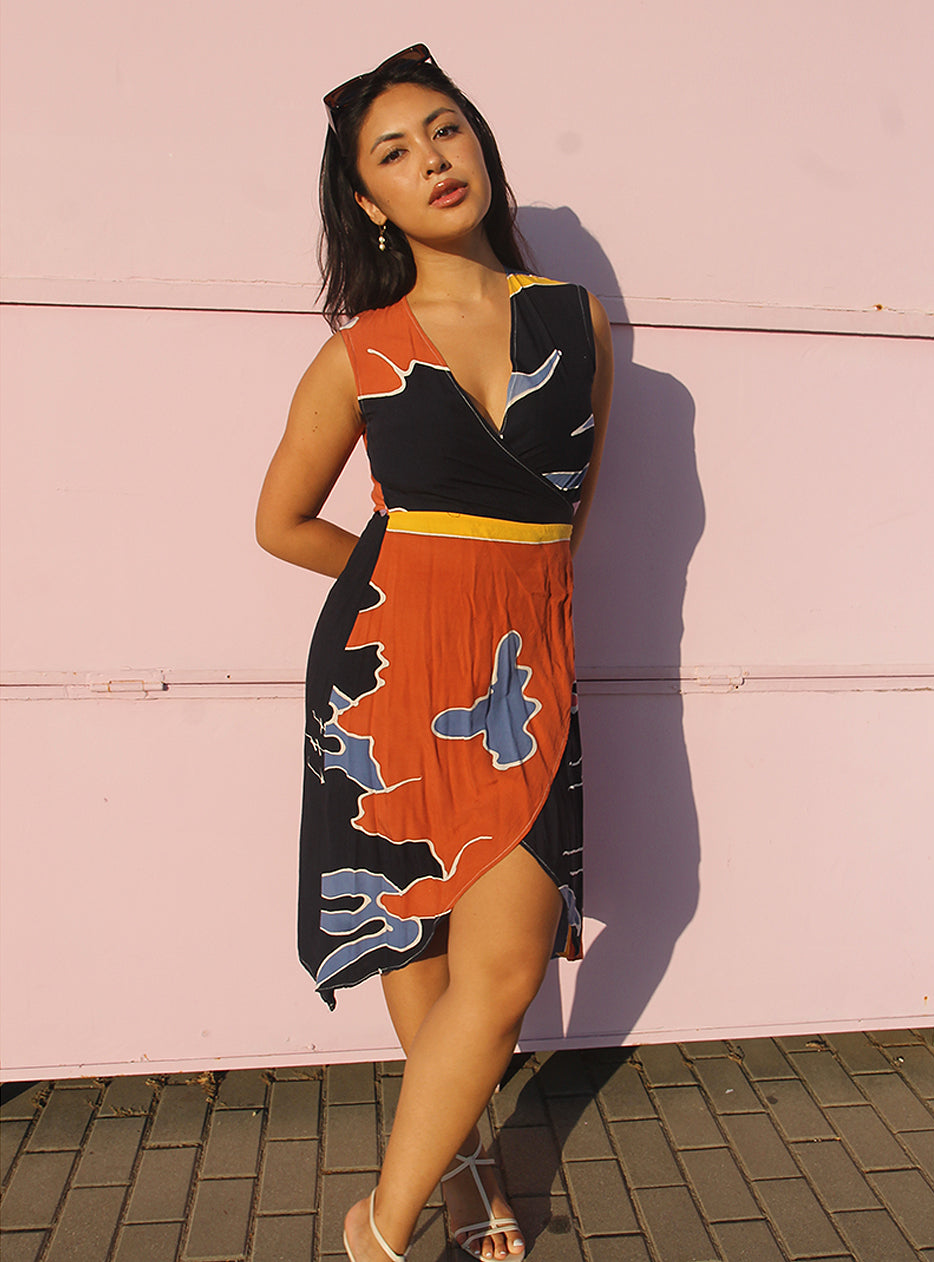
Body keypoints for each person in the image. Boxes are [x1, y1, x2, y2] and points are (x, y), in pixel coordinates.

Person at [256, 44, 613, 1262]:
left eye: (445, 129)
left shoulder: (573, 321)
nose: (432, 161)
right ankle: (456, 1180)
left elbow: (563, 524)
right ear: (369, 201)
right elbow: (281, 522)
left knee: (501, 964)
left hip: (521, 677)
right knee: (418, 936)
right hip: (389, 677)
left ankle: (374, 1222)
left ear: (479, 143)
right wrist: (401, 588)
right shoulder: (361, 349)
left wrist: (505, 621)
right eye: (394, 153)